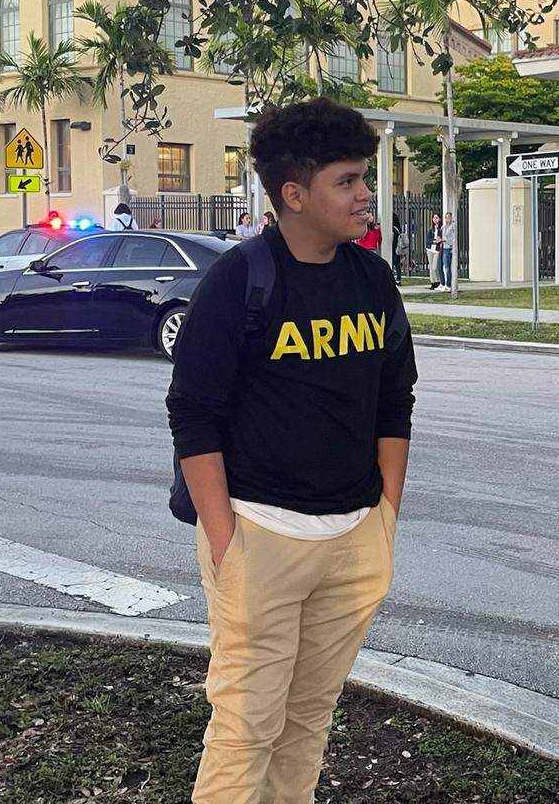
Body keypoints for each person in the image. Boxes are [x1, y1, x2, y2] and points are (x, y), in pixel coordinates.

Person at [167, 97, 416, 804]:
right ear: (294, 195)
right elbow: (193, 416)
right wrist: (226, 543)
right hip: (260, 536)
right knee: (246, 729)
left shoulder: (373, 279)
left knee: (308, 721)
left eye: (363, 177)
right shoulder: (238, 280)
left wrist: (384, 519)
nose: (365, 194)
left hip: (354, 539)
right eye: (347, 180)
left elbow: (394, 402)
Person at [424, 212, 443, 291]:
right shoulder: (430, 229)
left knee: (435, 267)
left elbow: (441, 238)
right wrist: (434, 241)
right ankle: (433, 282)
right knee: (431, 267)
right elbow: (428, 240)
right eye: (434, 218)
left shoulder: (441, 229)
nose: (435, 219)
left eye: (437, 218)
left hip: (437, 250)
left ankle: (438, 281)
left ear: (440, 219)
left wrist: (438, 240)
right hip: (430, 249)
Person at [440, 211, 456, 291]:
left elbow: (453, 239)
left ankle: (448, 285)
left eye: (449, 217)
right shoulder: (443, 227)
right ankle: (443, 283)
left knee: (447, 267)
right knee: (442, 266)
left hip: (448, 248)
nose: (447, 219)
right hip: (443, 247)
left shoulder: (453, 227)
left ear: (451, 218)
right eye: (446, 217)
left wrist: (444, 239)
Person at [391, 214, 405, 285]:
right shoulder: (398, 228)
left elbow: (393, 240)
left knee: (393, 263)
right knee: (397, 264)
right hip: (398, 249)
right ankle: (398, 279)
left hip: (394, 249)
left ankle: (394, 279)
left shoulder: (393, 229)